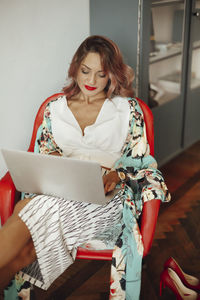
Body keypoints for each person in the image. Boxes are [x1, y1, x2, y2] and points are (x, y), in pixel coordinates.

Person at [0, 35, 170, 299]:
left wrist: (117, 173)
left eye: (100, 74)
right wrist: (55, 160)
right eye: (85, 71)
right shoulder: (54, 109)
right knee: (25, 251)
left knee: (26, 211)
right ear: (75, 67)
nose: (90, 81)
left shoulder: (128, 110)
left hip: (106, 198)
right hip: (59, 193)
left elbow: (144, 163)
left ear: (111, 75)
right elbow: (42, 156)